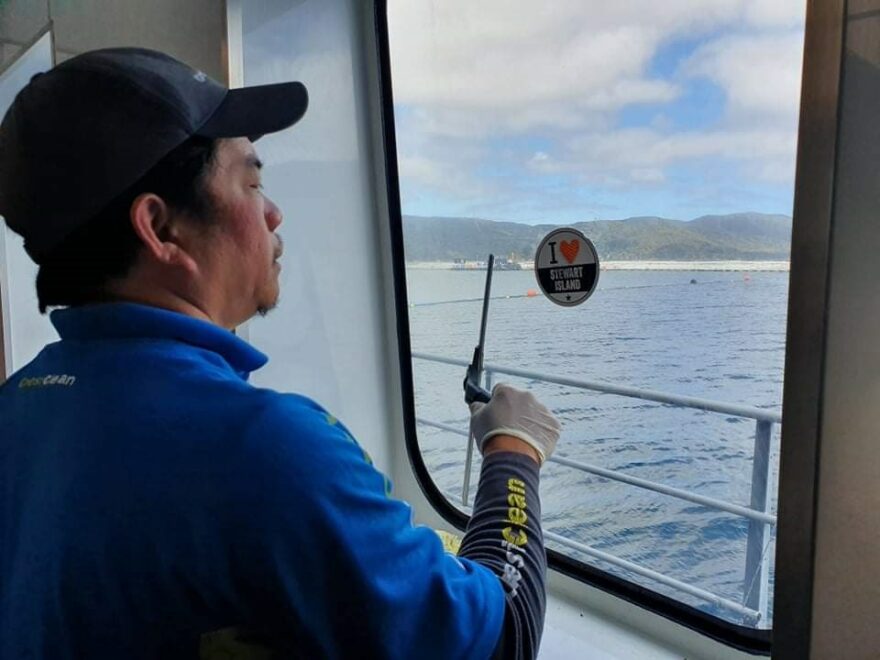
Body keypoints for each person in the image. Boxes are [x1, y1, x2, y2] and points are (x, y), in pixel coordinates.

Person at [0, 48, 561, 659]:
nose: (274, 212)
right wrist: (513, 451)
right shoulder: (261, 450)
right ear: (161, 230)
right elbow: (503, 635)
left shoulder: (16, 406)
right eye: (252, 182)